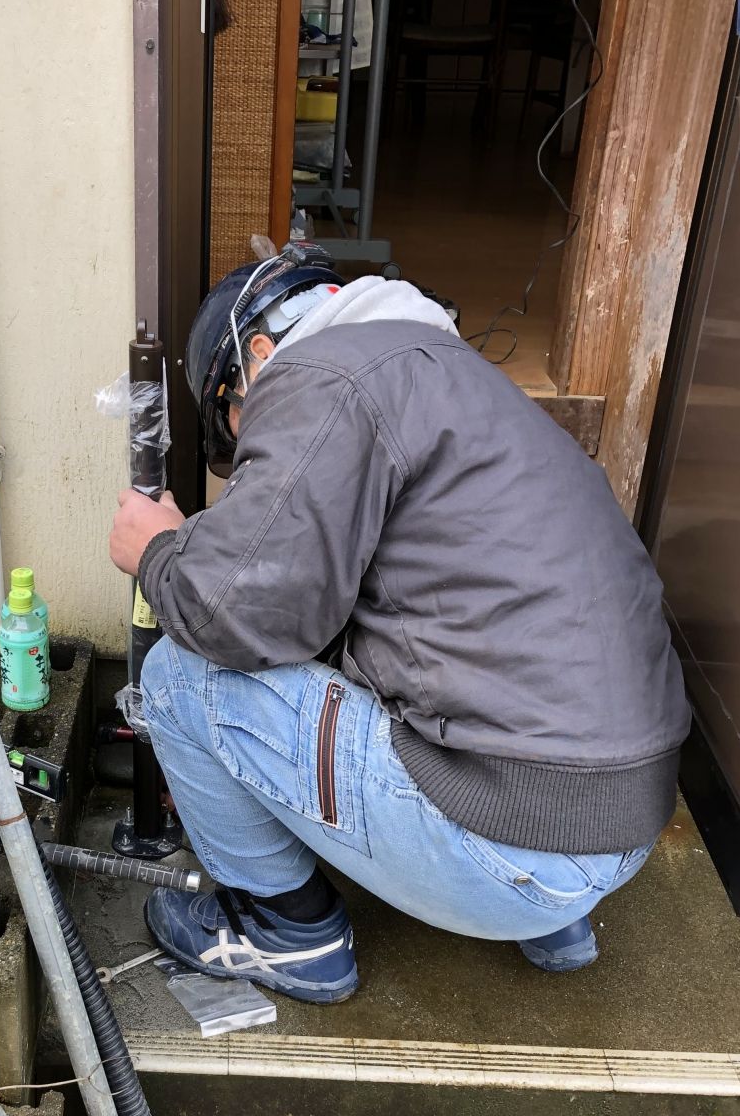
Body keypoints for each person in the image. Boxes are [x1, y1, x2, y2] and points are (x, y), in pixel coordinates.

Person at [108, 243, 689, 1004]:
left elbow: (232, 611)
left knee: (180, 675)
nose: (253, 447)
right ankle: (553, 919)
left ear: (257, 356)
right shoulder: (458, 379)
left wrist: (156, 549)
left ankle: (286, 933)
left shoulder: (320, 375)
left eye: (238, 421)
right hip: (623, 819)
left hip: (515, 851)